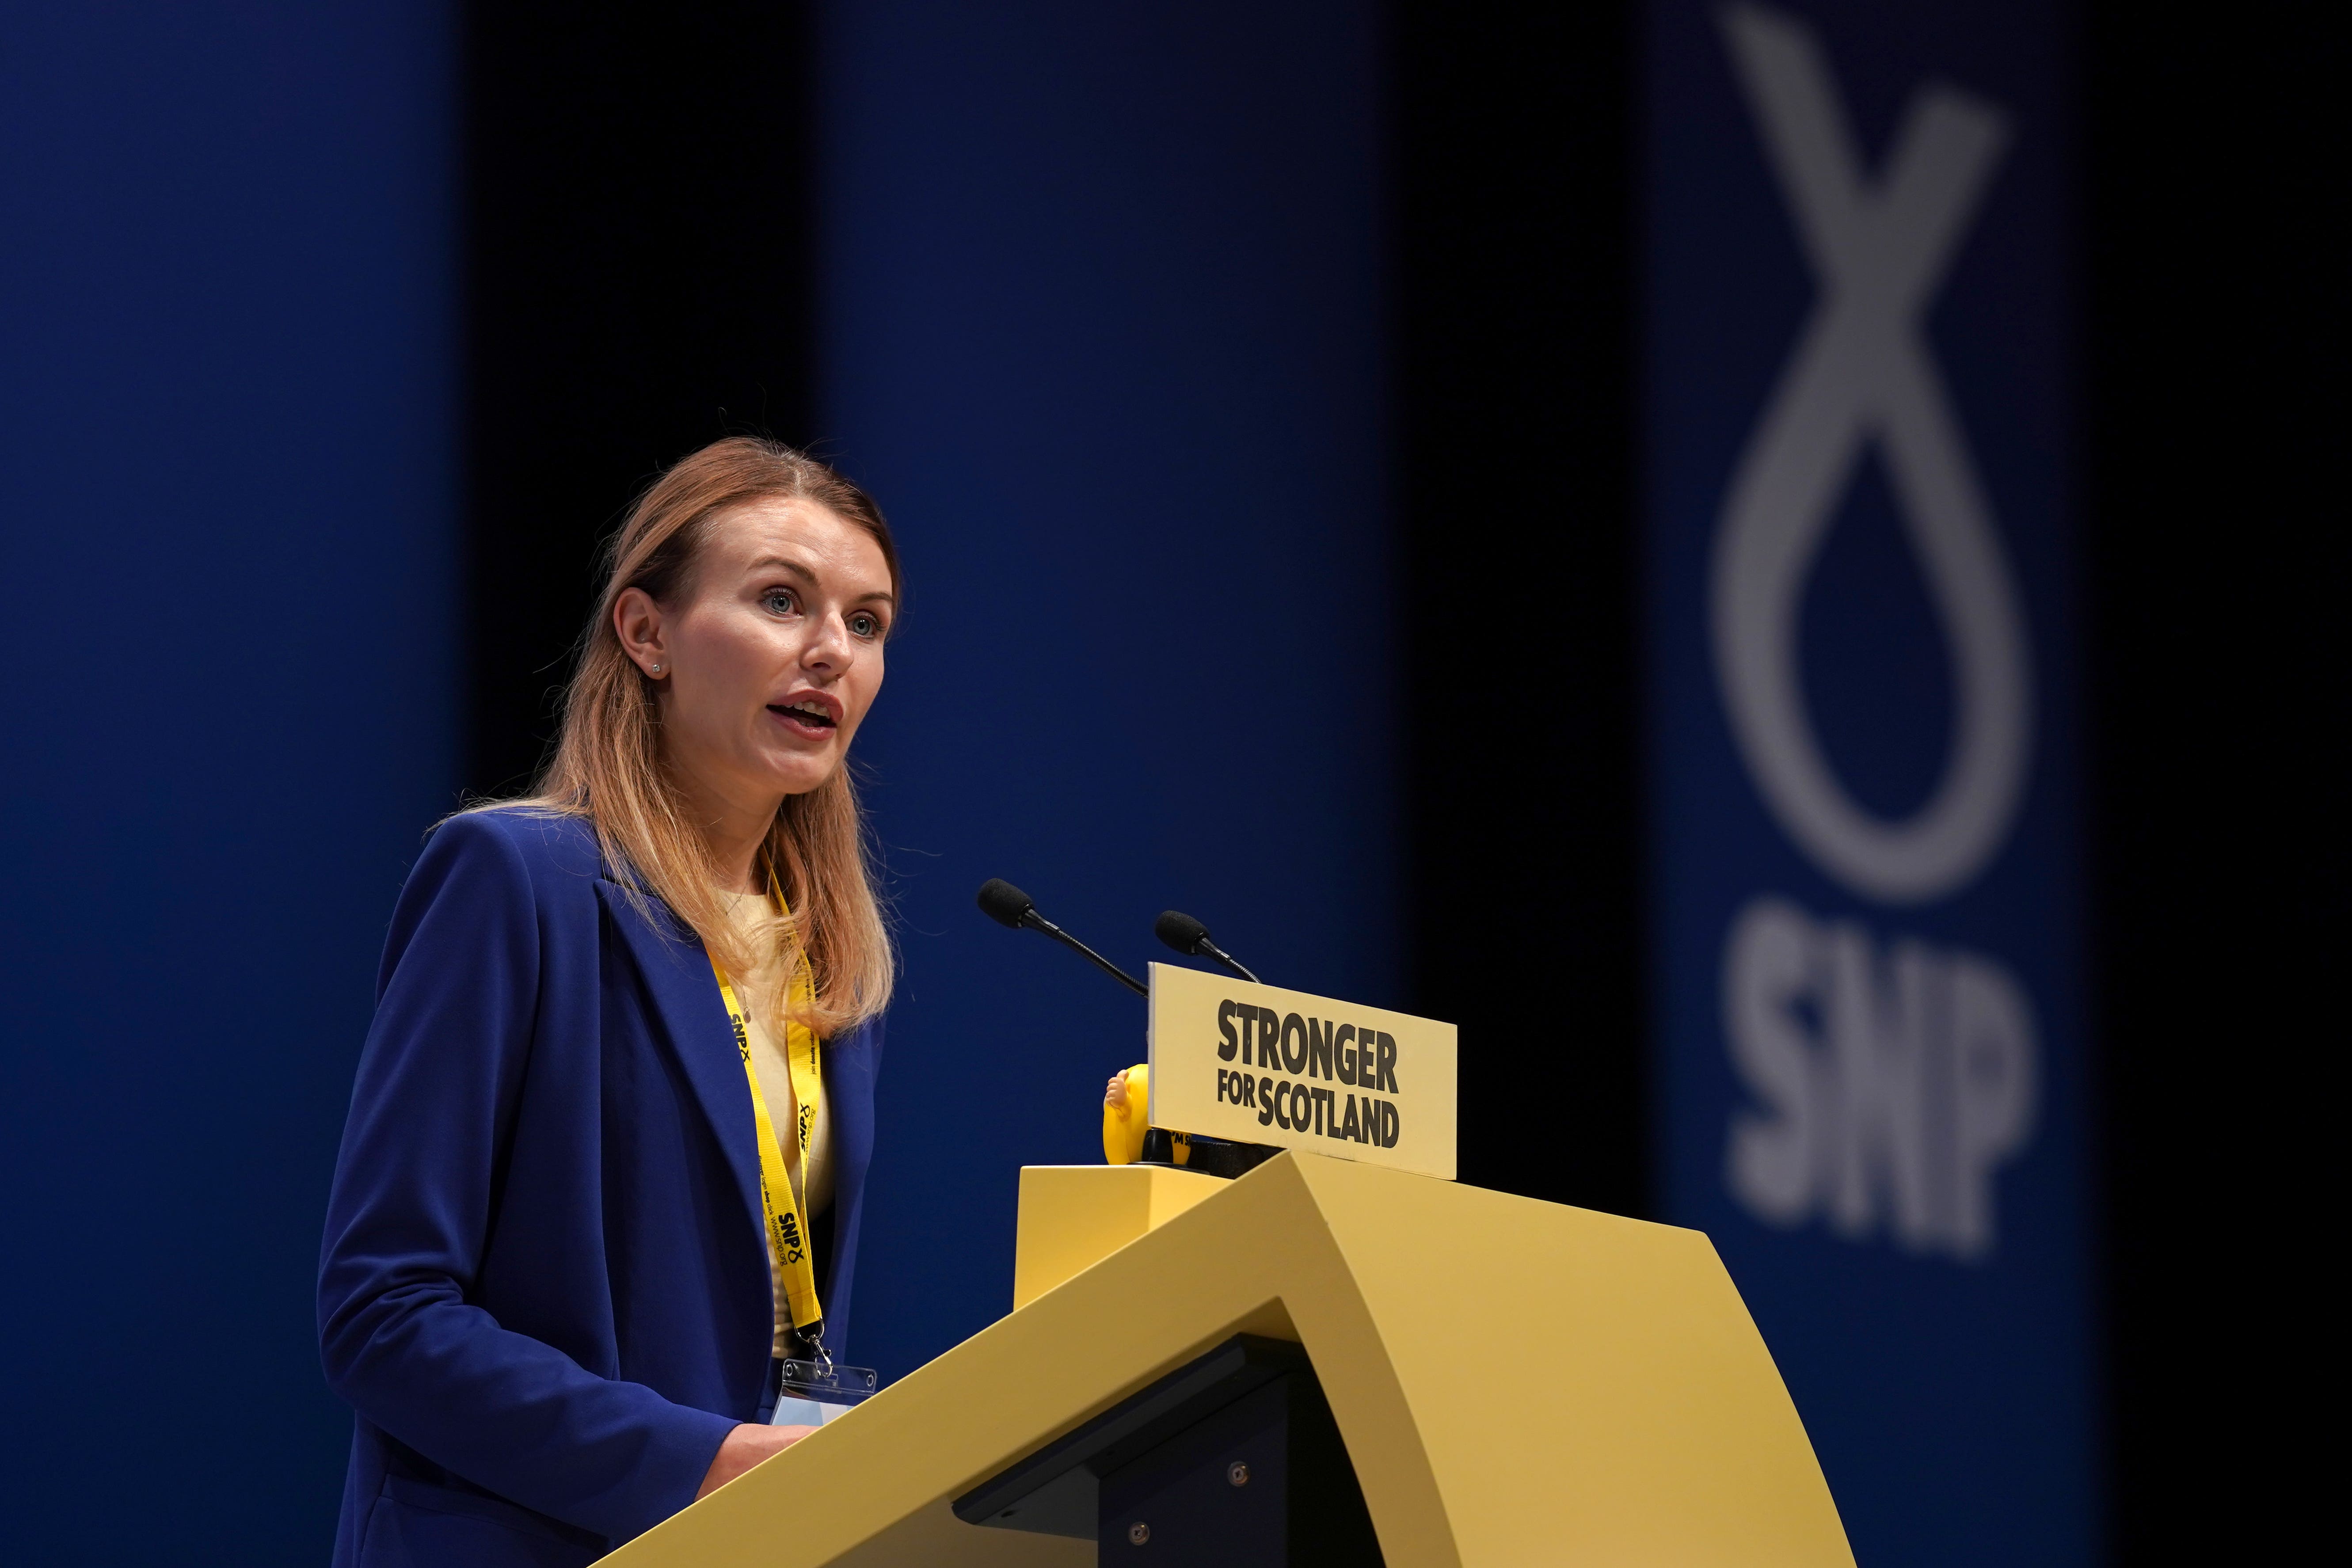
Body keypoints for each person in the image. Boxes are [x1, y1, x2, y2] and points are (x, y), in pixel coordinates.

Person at [317, 437, 900, 1567]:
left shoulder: (833, 963)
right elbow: (382, 1315)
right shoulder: (514, 879)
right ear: (646, 634)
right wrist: (698, 1462)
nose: (831, 650)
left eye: (866, 622)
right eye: (782, 600)